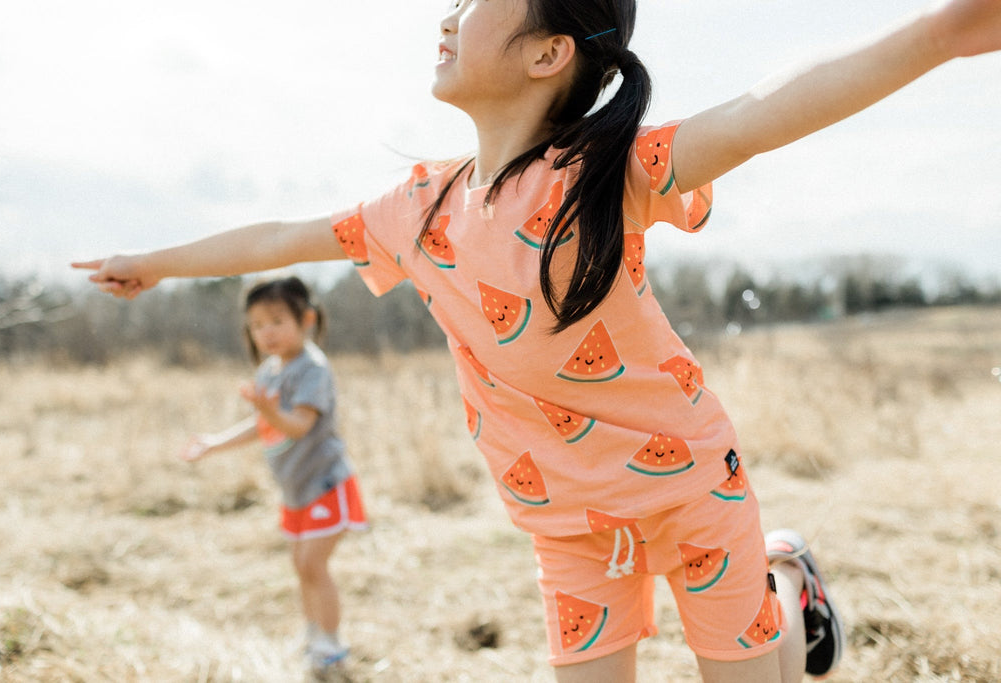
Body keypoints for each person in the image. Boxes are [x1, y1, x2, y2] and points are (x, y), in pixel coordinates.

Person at [72, 1, 1001, 680]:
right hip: (565, 522)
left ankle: (788, 578)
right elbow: (279, 240)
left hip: (689, 488)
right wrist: (154, 260)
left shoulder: (605, 172)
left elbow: (762, 112)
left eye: (475, 1)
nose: (447, 13)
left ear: (549, 52)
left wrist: (948, 31)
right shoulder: (416, 208)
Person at [178, 275, 368, 673]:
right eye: (258, 324)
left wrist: (267, 411)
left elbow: (297, 424)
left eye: (277, 321)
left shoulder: (312, 368)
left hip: (325, 484)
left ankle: (332, 645)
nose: (267, 332)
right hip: (296, 490)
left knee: (314, 565)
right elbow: (261, 427)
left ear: (307, 319)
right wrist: (214, 443)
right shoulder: (269, 371)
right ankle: (313, 632)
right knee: (300, 566)